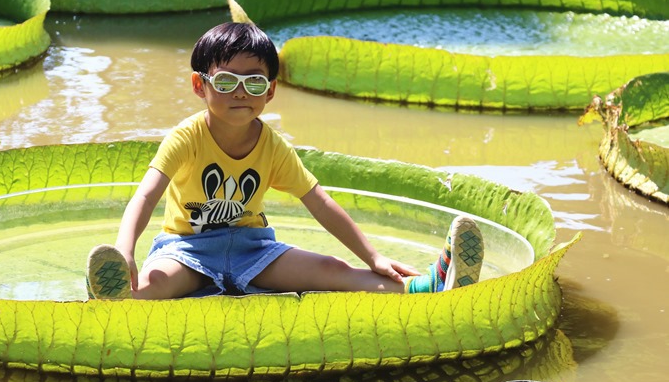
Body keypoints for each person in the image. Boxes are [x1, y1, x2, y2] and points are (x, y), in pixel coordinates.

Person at [86, 22, 484, 300]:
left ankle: (429, 284)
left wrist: (374, 257)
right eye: (226, 82)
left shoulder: (273, 146)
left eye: (254, 82)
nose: (240, 93)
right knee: (153, 286)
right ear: (199, 85)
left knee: (333, 270)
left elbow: (320, 203)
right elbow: (145, 196)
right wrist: (126, 251)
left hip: (253, 249)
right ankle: (115, 290)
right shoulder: (187, 136)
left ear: (271, 91)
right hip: (187, 250)